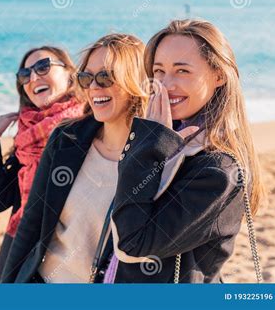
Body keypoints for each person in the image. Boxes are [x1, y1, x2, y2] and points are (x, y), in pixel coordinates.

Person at [103, 19, 266, 283]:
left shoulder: (218, 171)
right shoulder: (170, 144)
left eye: (182, 71)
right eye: (158, 71)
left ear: (219, 76)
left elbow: (130, 243)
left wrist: (149, 144)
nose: (166, 84)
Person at [0, 33, 149, 283]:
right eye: (86, 77)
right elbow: (31, 224)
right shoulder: (66, 139)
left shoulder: (157, 156)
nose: (94, 87)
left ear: (134, 80)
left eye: (105, 76)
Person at [0, 46, 84, 282]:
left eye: (43, 67)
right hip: (19, 244)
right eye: (25, 74)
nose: (33, 78)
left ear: (70, 73)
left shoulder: (88, 126)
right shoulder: (26, 136)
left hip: (64, 250)